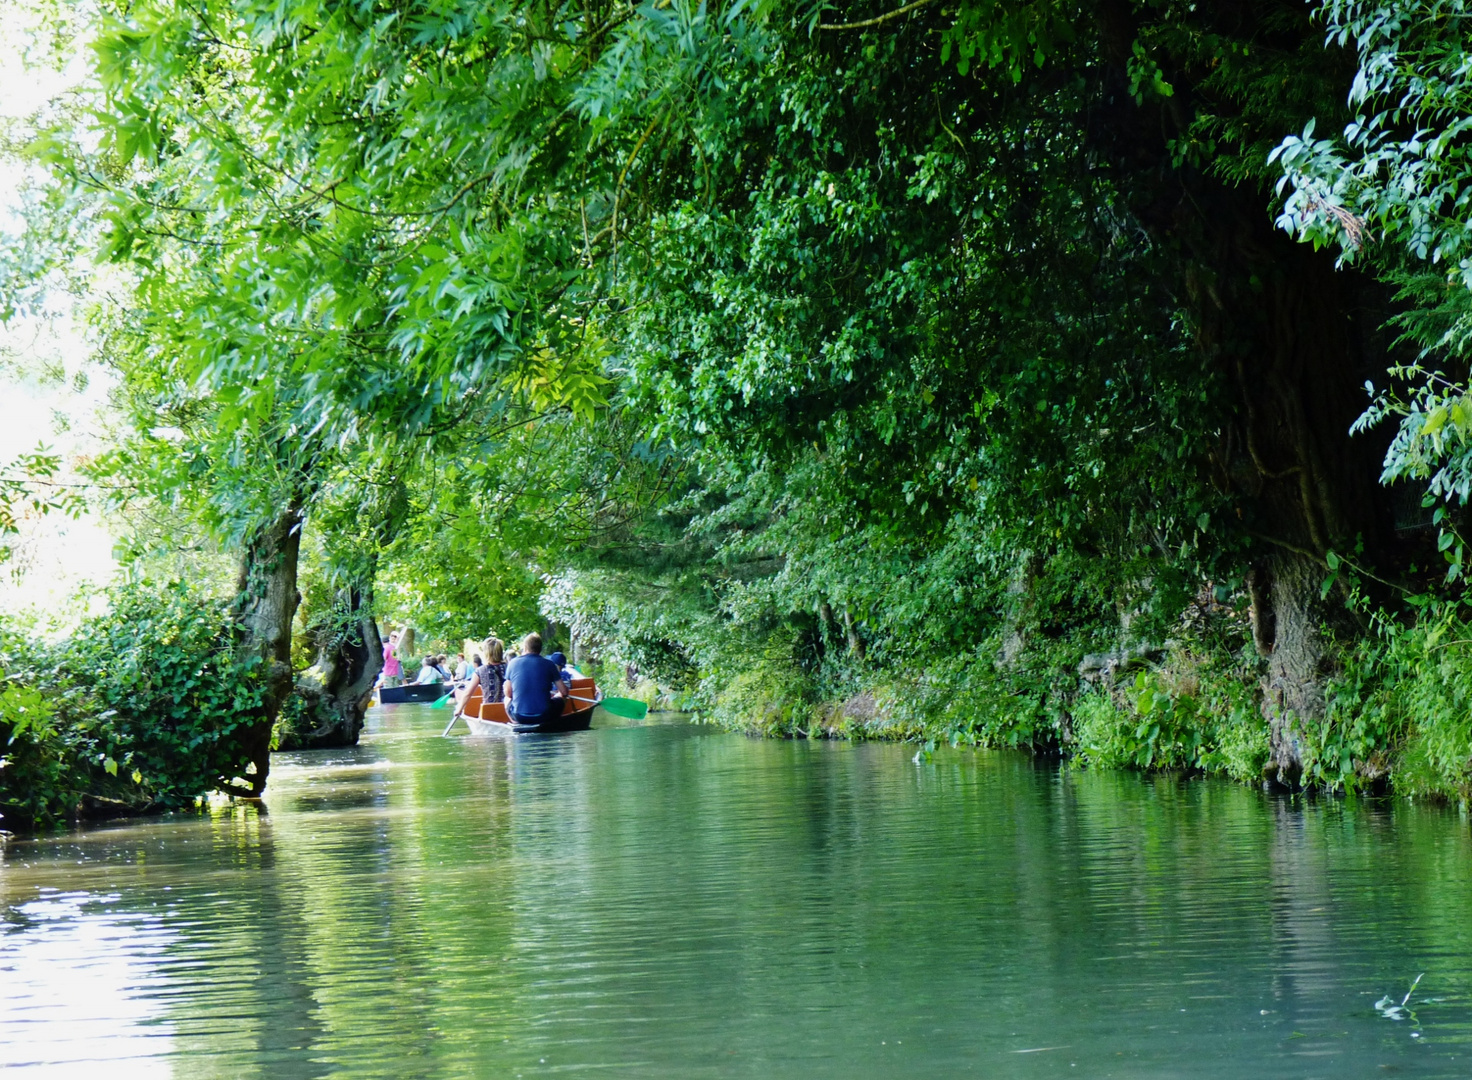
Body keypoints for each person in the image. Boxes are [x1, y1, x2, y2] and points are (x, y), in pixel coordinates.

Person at [504, 633, 568, 726]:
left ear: (525, 647)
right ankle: (554, 721)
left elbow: (508, 694)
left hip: (520, 716)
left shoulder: (512, 663)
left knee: (506, 699)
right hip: (544, 715)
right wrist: (560, 694)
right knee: (560, 696)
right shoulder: (550, 664)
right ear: (540, 649)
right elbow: (564, 692)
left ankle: (515, 722)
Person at [475, 639, 507, 704]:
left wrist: (459, 709)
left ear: (486, 653)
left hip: (488, 710)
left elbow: (468, 693)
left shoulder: (480, 671)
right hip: (507, 710)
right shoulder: (509, 667)